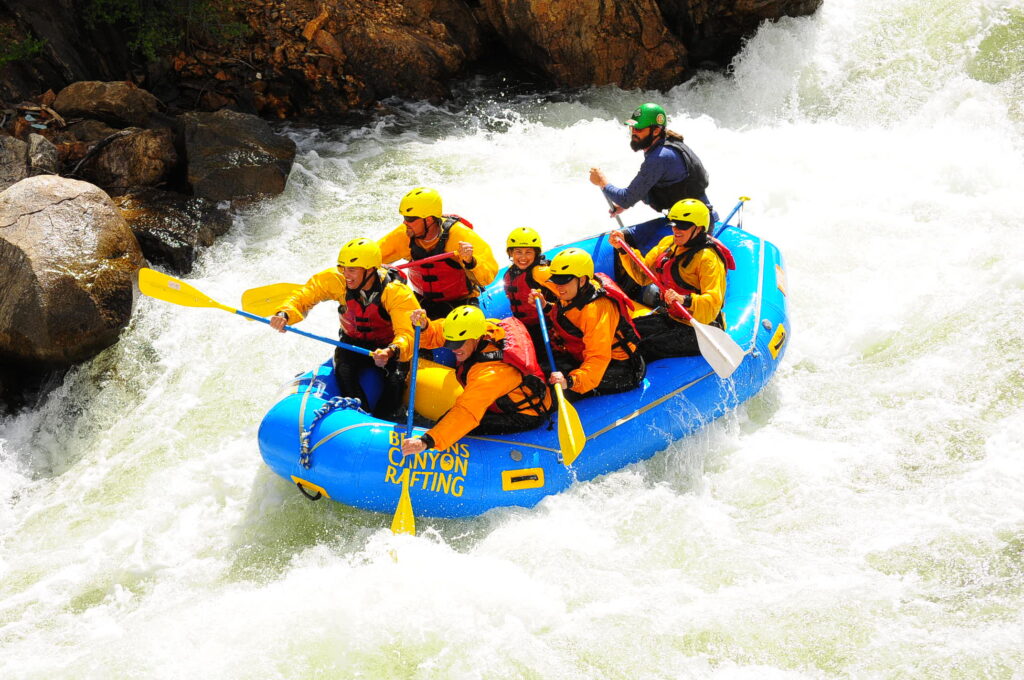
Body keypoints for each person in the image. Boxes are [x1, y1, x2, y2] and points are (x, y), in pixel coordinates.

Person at [270, 237, 419, 420]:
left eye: (352, 269)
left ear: (370, 269)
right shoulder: (337, 280)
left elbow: (407, 333)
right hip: (353, 344)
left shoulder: (396, 292)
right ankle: (360, 416)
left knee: (396, 381)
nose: (346, 274)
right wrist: (285, 314)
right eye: (343, 268)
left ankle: (385, 419)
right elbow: (305, 296)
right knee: (344, 369)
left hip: (389, 347)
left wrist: (392, 350)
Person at [400, 305, 552, 456]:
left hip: (524, 415)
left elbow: (466, 412)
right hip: (495, 398)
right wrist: (425, 326)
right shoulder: (479, 328)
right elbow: (438, 333)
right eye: (450, 343)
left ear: (476, 337)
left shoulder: (492, 373)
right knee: (447, 419)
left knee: (468, 428)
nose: (453, 349)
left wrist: (427, 441)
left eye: (458, 345)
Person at [609, 199, 734, 362]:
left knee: (641, 347)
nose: (676, 230)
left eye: (682, 226)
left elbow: (712, 305)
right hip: (673, 318)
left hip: (699, 328)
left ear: (699, 228)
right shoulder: (668, 245)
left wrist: (684, 300)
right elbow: (642, 276)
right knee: (624, 334)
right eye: (674, 225)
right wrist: (623, 249)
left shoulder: (708, 260)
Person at [529, 248, 645, 401]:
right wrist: (546, 306)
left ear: (582, 280)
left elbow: (598, 358)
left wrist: (569, 382)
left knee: (551, 394)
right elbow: (570, 316)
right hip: (588, 358)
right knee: (539, 375)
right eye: (556, 280)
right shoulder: (575, 292)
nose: (558, 287)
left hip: (620, 369)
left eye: (563, 282)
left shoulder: (596, 310)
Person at [377, 187, 499, 318]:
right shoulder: (404, 234)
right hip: (422, 302)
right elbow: (372, 255)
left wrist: (470, 261)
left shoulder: (459, 235)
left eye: (410, 218)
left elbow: (487, 277)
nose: (405, 222)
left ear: (428, 219)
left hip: (461, 303)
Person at [588, 102, 714, 219]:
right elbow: (652, 184)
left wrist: (602, 182)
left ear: (656, 131)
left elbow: (625, 199)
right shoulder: (667, 143)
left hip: (695, 226)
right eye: (632, 128)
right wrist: (625, 205)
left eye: (639, 129)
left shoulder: (659, 157)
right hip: (690, 218)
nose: (633, 133)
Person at [501, 226, 553, 351]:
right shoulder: (510, 273)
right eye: (518, 252)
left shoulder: (541, 272)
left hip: (547, 326)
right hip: (525, 326)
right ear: (511, 253)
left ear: (536, 253)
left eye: (528, 252)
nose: (523, 257)